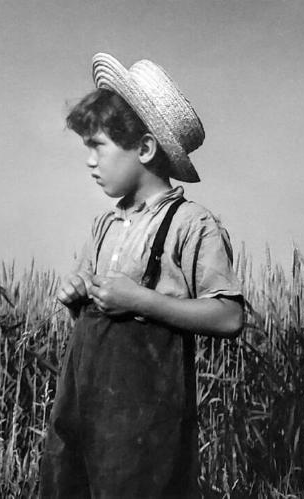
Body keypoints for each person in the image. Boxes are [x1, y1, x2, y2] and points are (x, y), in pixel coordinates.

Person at [40, 52, 244, 498]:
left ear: (145, 149)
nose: (90, 161)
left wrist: (140, 300)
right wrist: (76, 293)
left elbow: (229, 317)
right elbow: (90, 301)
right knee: (66, 482)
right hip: (83, 405)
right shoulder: (105, 224)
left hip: (147, 423)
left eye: (98, 146)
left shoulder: (192, 225)